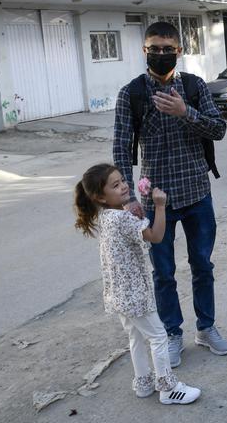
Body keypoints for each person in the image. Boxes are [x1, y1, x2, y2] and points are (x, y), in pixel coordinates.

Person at [113, 22, 227, 368]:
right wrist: (128, 199)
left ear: (179, 51)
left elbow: (220, 129)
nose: (161, 54)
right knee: (162, 273)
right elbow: (121, 149)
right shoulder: (131, 94)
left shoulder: (194, 87)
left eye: (168, 48)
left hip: (197, 193)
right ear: (144, 51)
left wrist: (186, 112)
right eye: (155, 48)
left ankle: (206, 328)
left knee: (202, 266)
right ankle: (173, 333)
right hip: (155, 203)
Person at [74, 163, 201, 405]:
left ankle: (143, 383)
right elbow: (156, 236)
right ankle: (168, 388)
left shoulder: (105, 216)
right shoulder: (122, 218)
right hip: (135, 293)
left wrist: (132, 209)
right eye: (116, 185)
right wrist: (160, 206)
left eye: (122, 181)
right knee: (159, 336)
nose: (124, 186)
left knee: (135, 337)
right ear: (100, 196)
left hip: (118, 294)